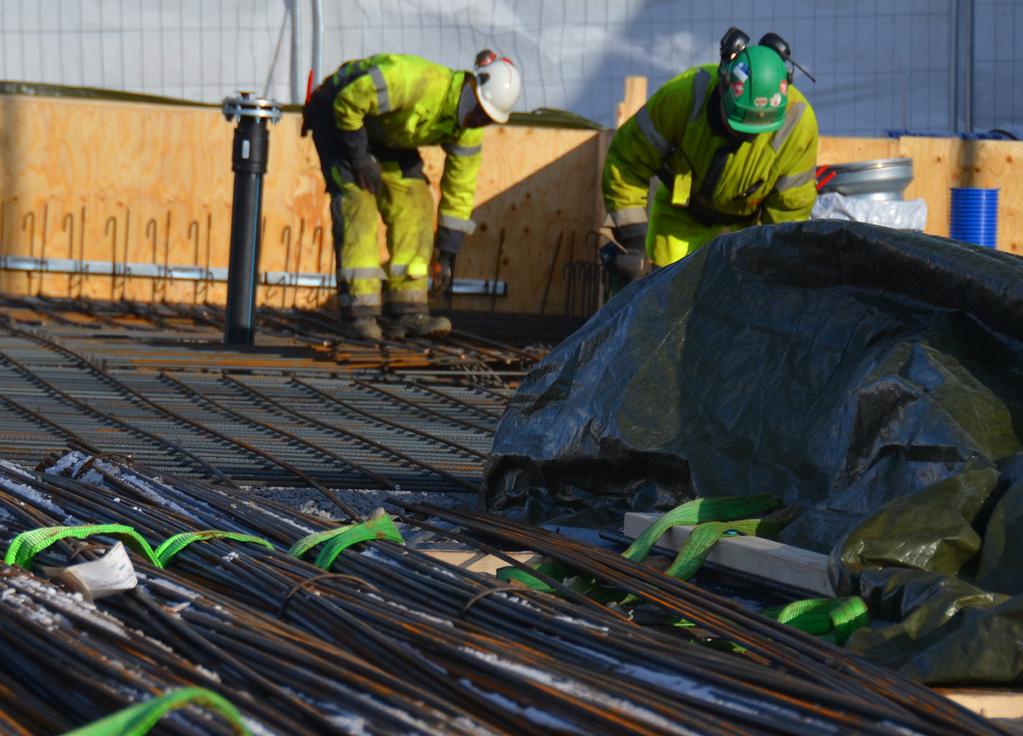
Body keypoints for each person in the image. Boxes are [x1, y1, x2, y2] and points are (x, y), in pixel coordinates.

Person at [303, 51, 522, 339]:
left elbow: (460, 190)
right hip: (340, 116)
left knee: (416, 204)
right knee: (358, 206)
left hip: (386, 133)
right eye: (479, 109)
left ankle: (407, 312)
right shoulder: (416, 82)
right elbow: (349, 100)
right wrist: (358, 158)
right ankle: (360, 314)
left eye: (486, 119)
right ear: (471, 86)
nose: (477, 119)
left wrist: (447, 253)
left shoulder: (468, 129)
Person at [601, 28, 818, 285]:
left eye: (756, 132)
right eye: (737, 125)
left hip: (744, 232)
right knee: (655, 296)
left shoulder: (798, 125)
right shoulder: (685, 96)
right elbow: (627, 163)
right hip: (679, 216)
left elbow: (788, 212)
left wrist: (773, 268)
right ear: (724, 83)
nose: (744, 137)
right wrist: (633, 241)